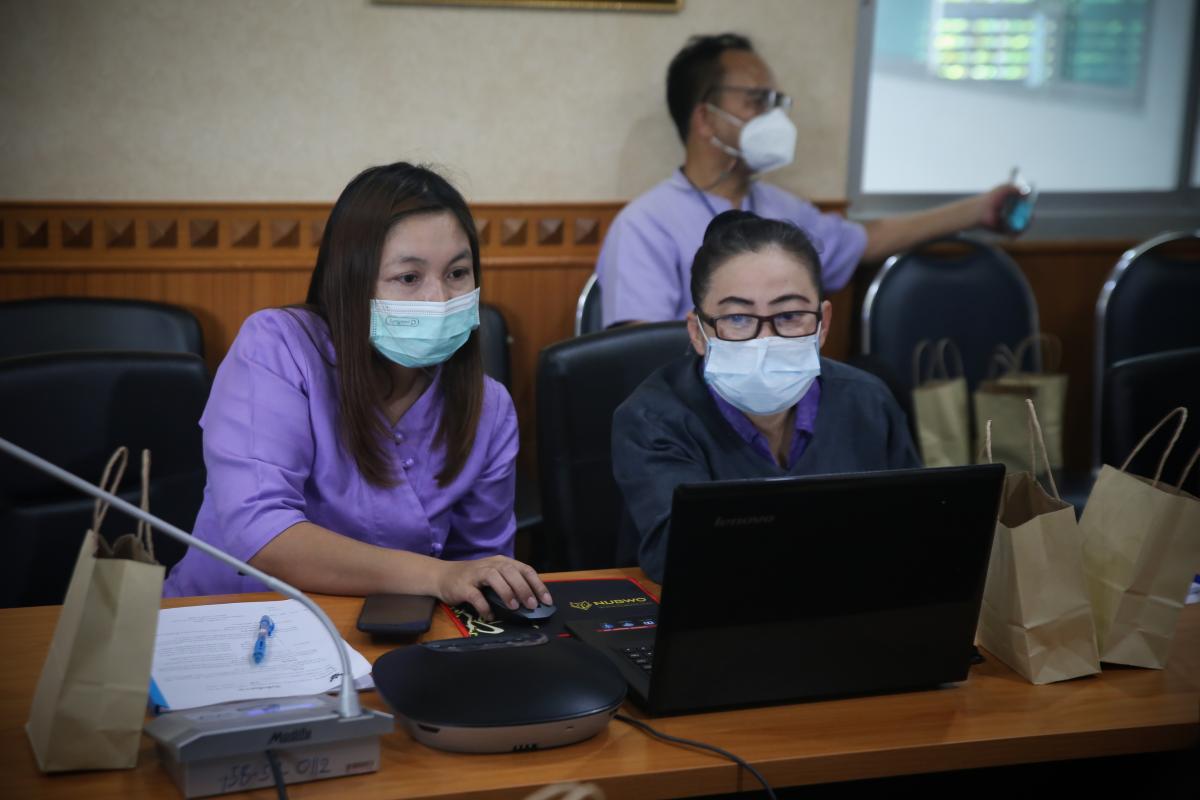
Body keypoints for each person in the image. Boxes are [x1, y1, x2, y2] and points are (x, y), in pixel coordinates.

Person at [165, 162, 551, 618]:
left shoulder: (490, 407)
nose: (440, 299)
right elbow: (261, 532)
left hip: (385, 636)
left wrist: (483, 582)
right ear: (352, 282)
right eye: (409, 278)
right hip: (226, 622)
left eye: (457, 273)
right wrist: (438, 576)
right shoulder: (276, 346)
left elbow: (480, 568)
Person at [596, 33, 1020, 327]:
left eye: (778, 102)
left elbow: (865, 240)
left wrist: (978, 210)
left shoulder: (783, 210)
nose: (775, 117)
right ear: (706, 119)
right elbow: (639, 358)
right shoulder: (644, 225)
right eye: (757, 101)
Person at [612, 210, 920, 583]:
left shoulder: (868, 401)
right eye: (738, 319)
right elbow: (682, 558)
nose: (765, 340)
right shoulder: (654, 418)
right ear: (697, 332)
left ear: (822, 324)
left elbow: (915, 529)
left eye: (789, 315)